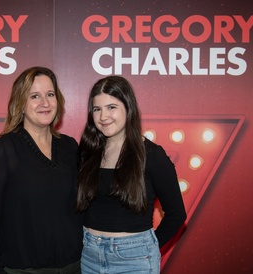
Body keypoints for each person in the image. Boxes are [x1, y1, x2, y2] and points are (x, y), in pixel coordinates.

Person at [0, 66, 83, 274]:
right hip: (22, 270)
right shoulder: (3, 149)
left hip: (74, 267)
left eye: (50, 94)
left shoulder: (70, 147)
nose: (45, 103)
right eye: (35, 96)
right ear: (21, 104)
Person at [76, 76, 187, 274]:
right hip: (89, 257)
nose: (103, 116)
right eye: (97, 109)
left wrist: (146, 248)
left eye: (112, 107)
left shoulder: (151, 154)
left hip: (134, 261)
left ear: (128, 108)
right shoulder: (88, 151)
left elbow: (177, 214)